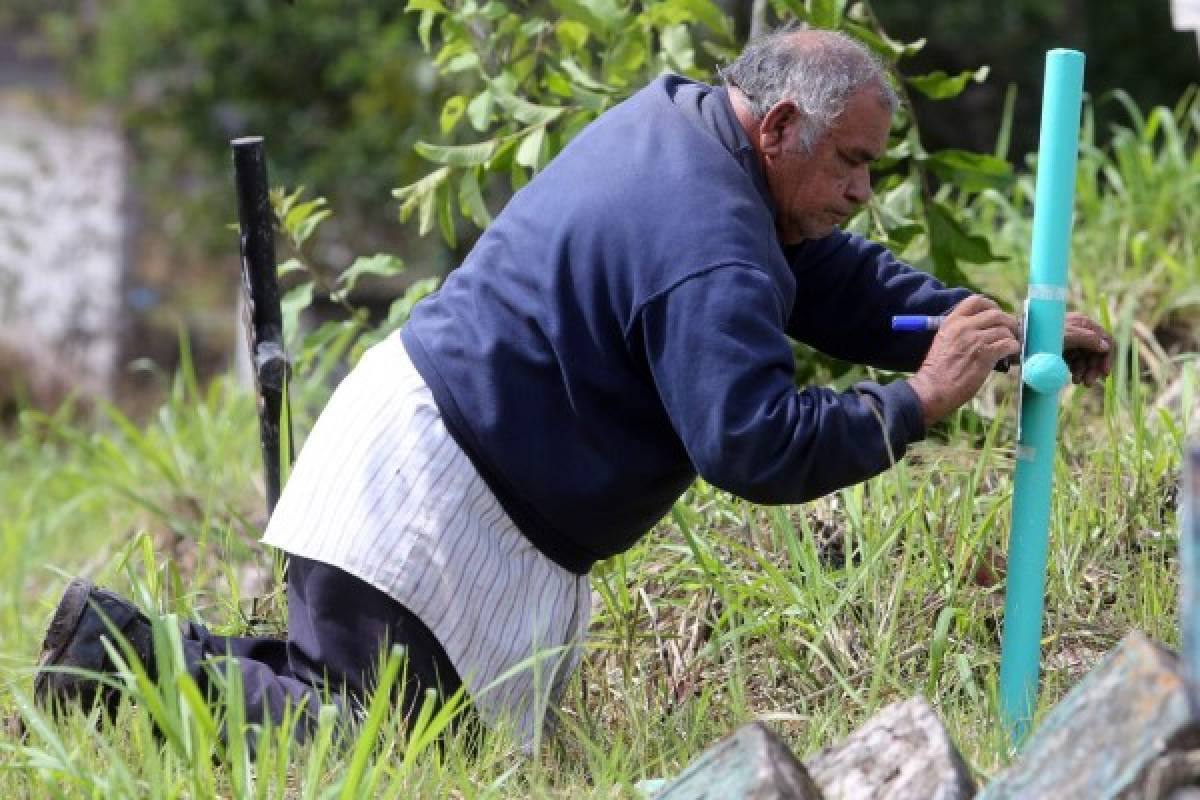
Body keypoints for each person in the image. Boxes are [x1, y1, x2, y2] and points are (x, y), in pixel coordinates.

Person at [33, 28, 1113, 749]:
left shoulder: (709, 148)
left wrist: (997, 325)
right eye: (851, 162)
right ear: (779, 124)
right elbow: (752, 442)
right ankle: (111, 658)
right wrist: (916, 403)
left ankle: (125, 653)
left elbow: (830, 281)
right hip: (432, 486)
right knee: (378, 740)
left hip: (439, 456)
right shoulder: (711, 234)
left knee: (382, 718)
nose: (861, 191)